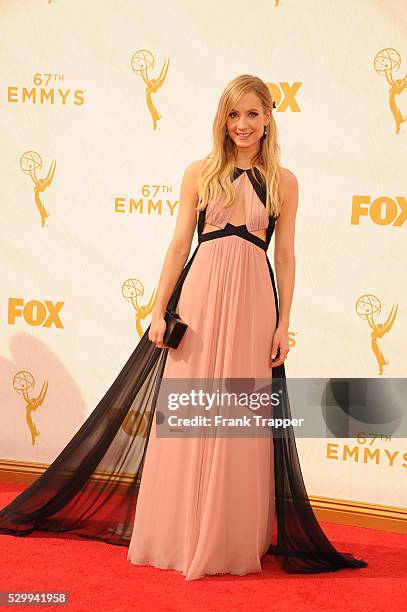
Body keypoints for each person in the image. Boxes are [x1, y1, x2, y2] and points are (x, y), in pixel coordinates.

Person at [0, 74, 367, 580]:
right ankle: (176, 533)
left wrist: (285, 322)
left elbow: (286, 255)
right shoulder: (200, 172)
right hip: (198, 299)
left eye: (253, 114)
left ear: (268, 119)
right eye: (233, 114)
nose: (242, 124)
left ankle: (228, 536)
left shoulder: (285, 181)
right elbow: (178, 246)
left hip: (255, 302)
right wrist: (157, 309)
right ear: (222, 119)